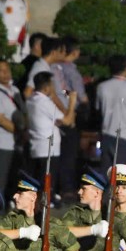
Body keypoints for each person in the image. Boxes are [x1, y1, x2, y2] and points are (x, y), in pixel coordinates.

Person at [25, 71, 77, 206]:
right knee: (48, 178)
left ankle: (46, 199)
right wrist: (72, 103)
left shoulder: (31, 100)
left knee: (40, 177)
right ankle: (47, 202)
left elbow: (53, 119)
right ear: (47, 87)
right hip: (48, 148)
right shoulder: (45, 102)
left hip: (36, 146)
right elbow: (67, 121)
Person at [0, 59, 24, 195]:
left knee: (15, 180)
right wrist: (20, 133)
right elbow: (1, 120)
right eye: (1, 71)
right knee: (0, 181)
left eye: (7, 70)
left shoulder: (15, 90)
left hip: (17, 144)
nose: (6, 73)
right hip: (2, 144)